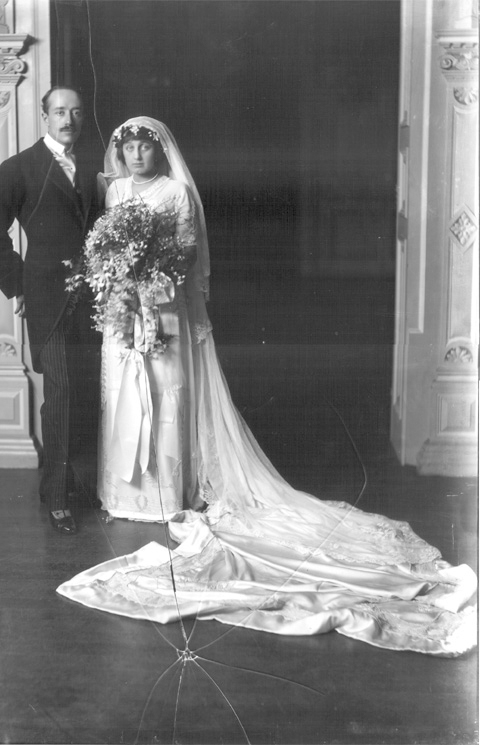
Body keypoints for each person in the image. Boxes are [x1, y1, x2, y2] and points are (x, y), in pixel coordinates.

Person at [57, 117, 477, 655]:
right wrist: (119, 280)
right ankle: (123, 492)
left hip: (163, 312)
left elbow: (185, 255)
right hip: (122, 314)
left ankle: (165, 493)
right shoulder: (112, 190)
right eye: (129, 146)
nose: (136, 154)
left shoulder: (177, 192)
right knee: (123, 395)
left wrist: (147, 277)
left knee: (166, 400)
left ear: (160, 152)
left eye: (145, 146)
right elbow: (100, 251)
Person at [0, 86, 101, 535]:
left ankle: (82, 485)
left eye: (76, 112)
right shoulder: (19, 168)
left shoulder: (95, 166)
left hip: (99, 298)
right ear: (44, 116)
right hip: (50, 300)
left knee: (87, 394)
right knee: (62, 394)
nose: (69, 119)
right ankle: (58, 498)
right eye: (60, 111)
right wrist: (17, 285)